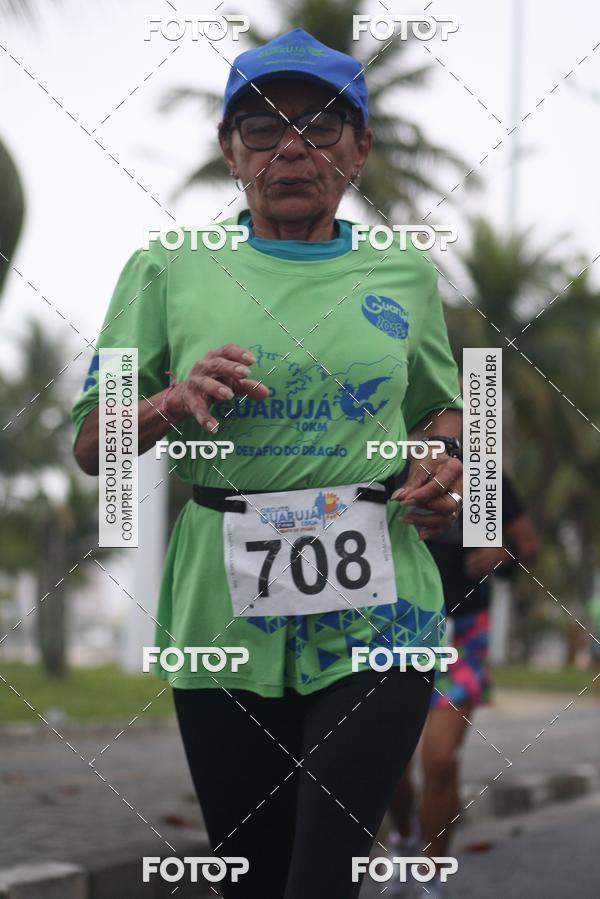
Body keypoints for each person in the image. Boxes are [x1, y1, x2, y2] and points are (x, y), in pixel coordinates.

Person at [72, 28, 464, 899]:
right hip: (221, 606)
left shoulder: (403, 270)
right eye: (261, 126)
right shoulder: (166, 269)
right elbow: (96, 446)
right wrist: (169, 402)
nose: (292, 145)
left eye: (323, 125)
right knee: (251, 880)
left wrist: (442, 462)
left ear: (359, 150)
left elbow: (444, 406)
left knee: (322, 876)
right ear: (228, 151)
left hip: (380, 604)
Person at [387, 472, 539, 897]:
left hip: (462, 630)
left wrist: (502, 553)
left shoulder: (486, 477)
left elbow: (527, 545)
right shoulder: (387, 459)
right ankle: (403, 837)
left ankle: (432, 874)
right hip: (390, 627)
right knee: (387, 762)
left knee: (440, 759)